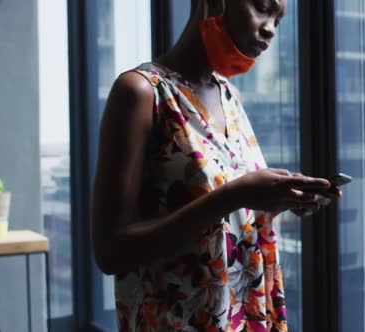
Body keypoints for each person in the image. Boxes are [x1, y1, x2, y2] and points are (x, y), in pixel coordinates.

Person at [90, 0, 341, 330]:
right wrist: (234, 196)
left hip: (243, 317)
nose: (270, 29)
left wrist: (279, 199)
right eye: (263, 7)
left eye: (278, 20)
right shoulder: (141, 93)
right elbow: (110, 251)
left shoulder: (230, 97)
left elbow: (227, 215)